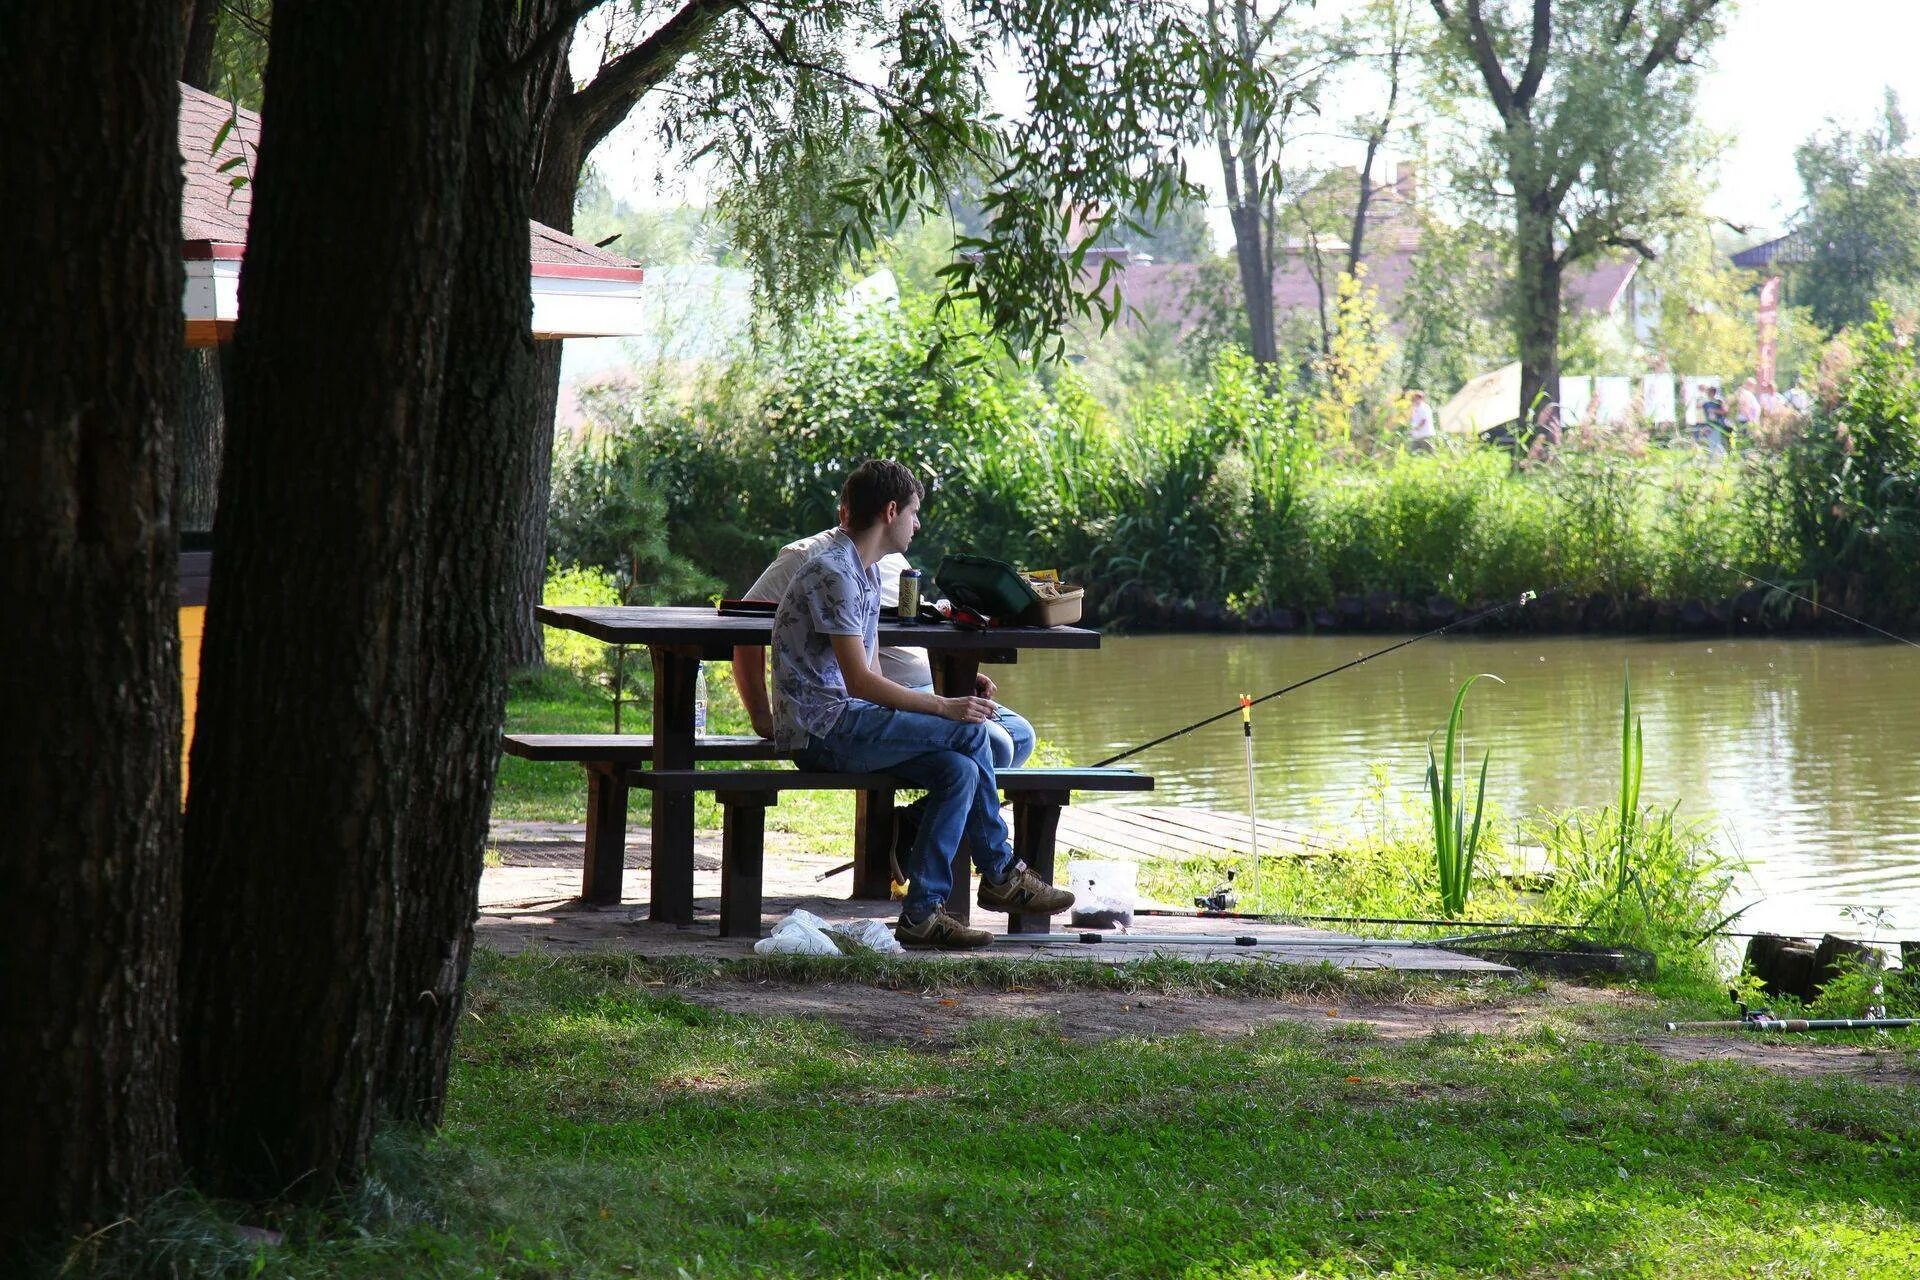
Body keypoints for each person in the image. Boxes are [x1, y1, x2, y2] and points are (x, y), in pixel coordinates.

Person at [760, 459, 1072, 949]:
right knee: (970, 732)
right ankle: (1002, 872)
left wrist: (936, 707)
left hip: (846, 720)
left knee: (959, 770)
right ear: (890, 511)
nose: (917, 523)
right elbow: (859, 682)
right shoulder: (833, 572)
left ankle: (922, 914)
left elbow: (874, 673)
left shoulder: (861, 570)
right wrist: (943, 708)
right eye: (913, 512)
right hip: (822, 730)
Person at [732, 533, 1035, 770]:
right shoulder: (808, 558)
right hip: (877, 698)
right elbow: (744, 625)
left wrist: (959, 676)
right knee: (994, 743)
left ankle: (918, 821)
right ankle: (985, 844)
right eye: (912, 512)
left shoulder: (888, 561)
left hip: (927, 686)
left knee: (1020, 736)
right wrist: (761, 715)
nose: (916, 524)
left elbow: (899, 632)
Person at [1407, 389, 1436, 454]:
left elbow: (1423, 420)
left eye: (1417, 398)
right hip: (1417, 434)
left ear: (1421, 398)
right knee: (1414, 450)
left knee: (1429, 451)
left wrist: (1416, 428)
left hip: (1424, 433)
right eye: (1414, 398)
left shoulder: (1423, 407)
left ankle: (1437, 460)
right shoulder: (1416, 407)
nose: (1415, 400)